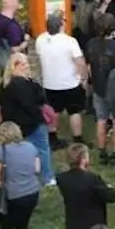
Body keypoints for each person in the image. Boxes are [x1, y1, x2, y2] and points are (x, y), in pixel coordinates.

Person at [0, 52, 53, 186]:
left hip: (16, 126)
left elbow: (3, 106)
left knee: (23, 153)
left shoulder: (4, 84)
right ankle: (47, 177)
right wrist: (41, 116)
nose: (27, 66)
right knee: (42, 149)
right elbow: (33, 102)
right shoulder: (23, 83)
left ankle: (26, 177)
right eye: (23, 63)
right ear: (14, 66)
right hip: (32, 123)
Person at [35, 11, 87, 149]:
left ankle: (52, 139)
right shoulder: (70, 42)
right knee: (74, 112)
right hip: (70, 83)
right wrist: (83, 77)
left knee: (53, 111)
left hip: (50, 83)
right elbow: (80, 62)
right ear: (61, 25)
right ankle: (78, 139)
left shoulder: (40, 40)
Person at [56, 143, 115, 229]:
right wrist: (109, 188)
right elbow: (111, 197)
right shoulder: (92, 179)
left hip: (74, 225)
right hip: (94, 226)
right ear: (83, 159)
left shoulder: (62, 178)